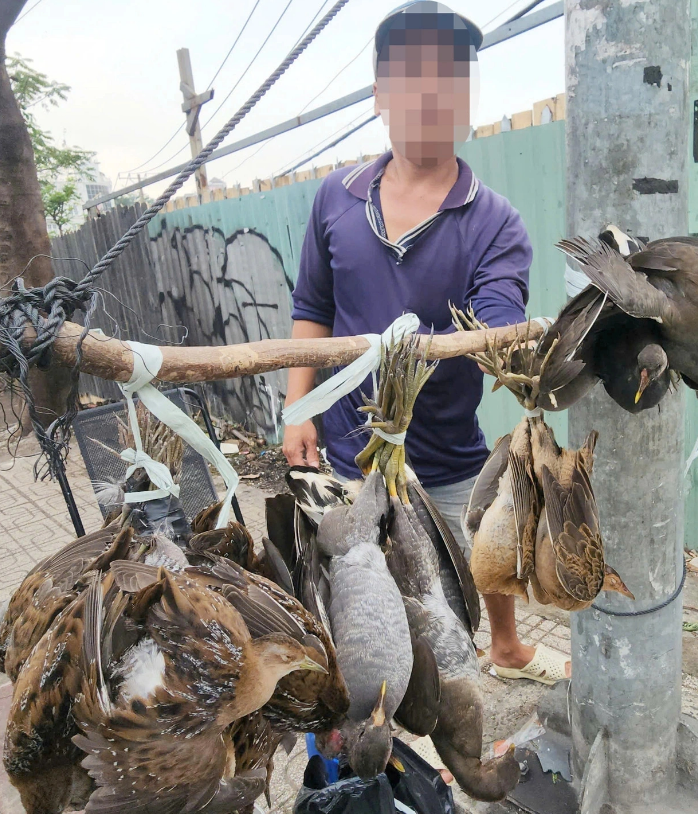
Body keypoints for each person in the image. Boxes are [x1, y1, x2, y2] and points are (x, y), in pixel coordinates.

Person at [284, 1, 569, 685]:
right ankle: (368, 691)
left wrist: (508, 345)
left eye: (450, 79)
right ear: (381, 91)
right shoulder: (336, 198)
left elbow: (496, 323)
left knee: (483, 548)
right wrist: (298, 406)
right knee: (356, 585)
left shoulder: (495, 221)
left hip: (445, 443)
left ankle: (504, 647)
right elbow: (312, 306)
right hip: (351, 446)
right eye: (412, 78)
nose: (431, 96)